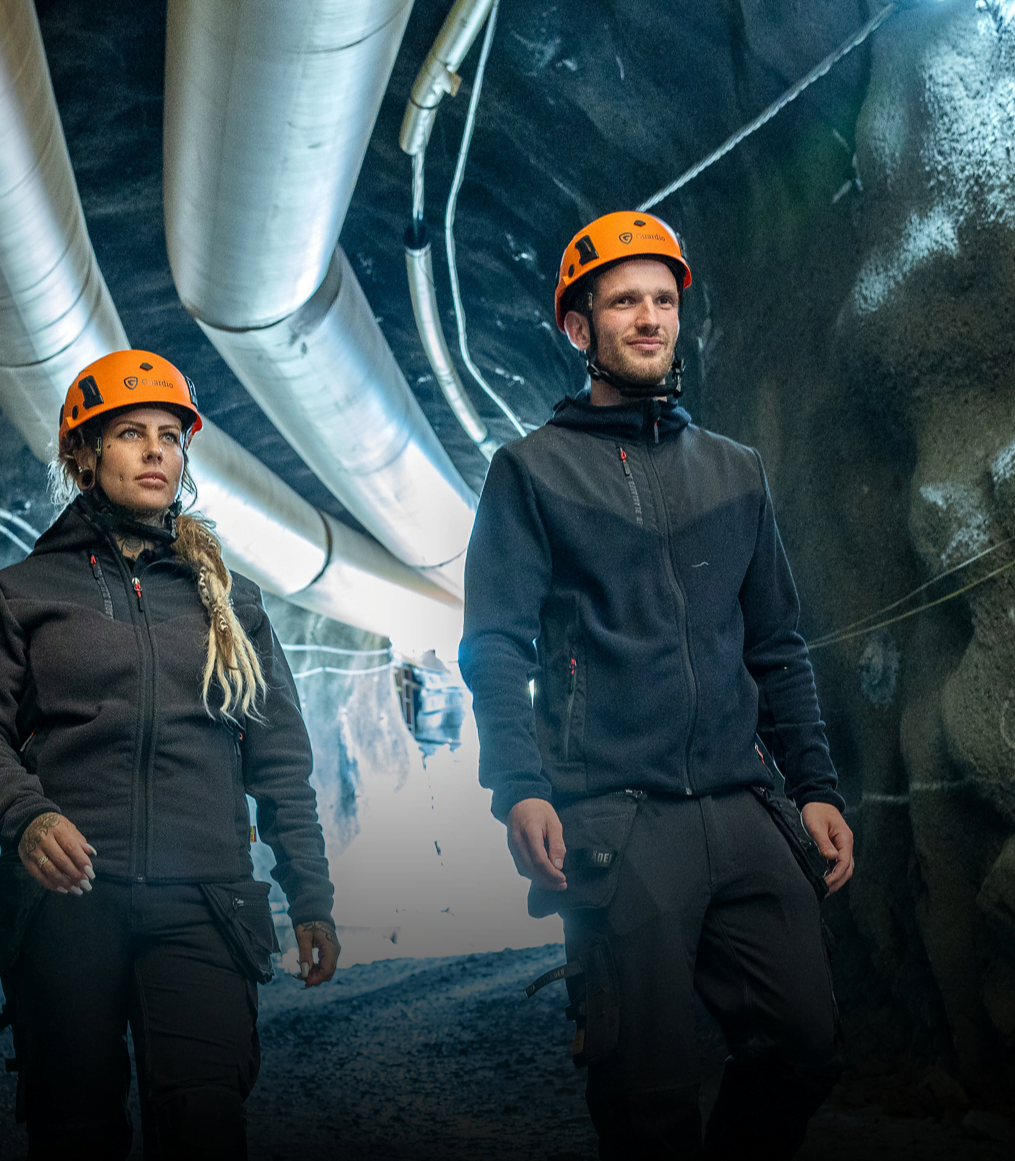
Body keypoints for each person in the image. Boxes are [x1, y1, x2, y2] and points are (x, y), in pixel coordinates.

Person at [458, 212, 856, 1159]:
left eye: (663, 300)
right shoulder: (530, 473)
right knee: (648, 1093)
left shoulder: (736, 470)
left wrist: (816, 785)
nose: (648, 318)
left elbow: (778, 645)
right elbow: (496, 646)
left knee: (806, 1047)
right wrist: (519, 787)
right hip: (616, 815)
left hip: (743, 804)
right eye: (624, 301)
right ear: (578, 326)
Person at [0, 348, 340, 1160]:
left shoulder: (232, 603)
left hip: (205, 904)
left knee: (204, 1124)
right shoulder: (22, 593)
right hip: (66, 907)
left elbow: (280, 762)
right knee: (74, 1132)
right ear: (84, 456)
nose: (156, 451)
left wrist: (312, 895)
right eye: (130, 434)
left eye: (170, 436)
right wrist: (28, 816)